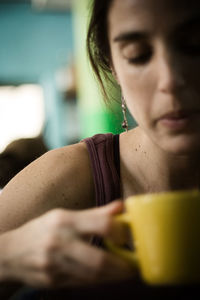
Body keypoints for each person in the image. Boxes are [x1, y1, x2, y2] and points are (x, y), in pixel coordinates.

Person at [0, 0, 200, 296]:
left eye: (195, 44)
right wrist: (7, 257)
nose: (170, 79)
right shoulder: (74, 175)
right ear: (113, 67)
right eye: (137, 55)